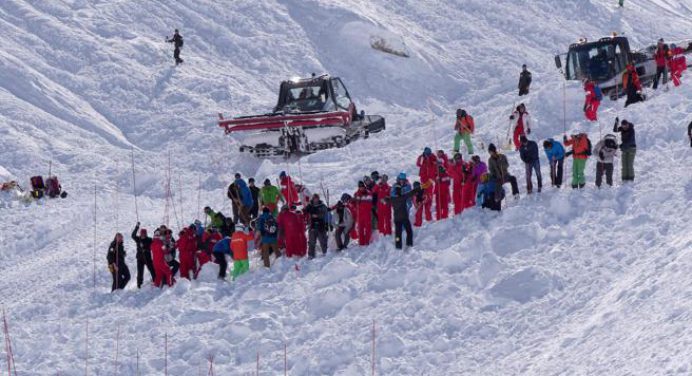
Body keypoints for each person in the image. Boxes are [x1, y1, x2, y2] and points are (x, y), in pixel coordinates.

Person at [389, 184, 421, 249]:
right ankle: (409, 244)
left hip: (397, 219)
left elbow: (385, 200)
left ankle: (398, 246)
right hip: (404, 218)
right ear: (401, 191)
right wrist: (419, 188)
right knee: (409, 231)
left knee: (398, 234)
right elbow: (411, 192)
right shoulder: (403, 197)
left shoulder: (392, 199)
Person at [416, 147, 438, 223]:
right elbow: (418, 164)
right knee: (423, 194)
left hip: (430, 179)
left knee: (429, 196)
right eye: (426, 153)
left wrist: (434, 160)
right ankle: (424, 216)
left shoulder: (433, 157)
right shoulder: (422, 158)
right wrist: (423, 156)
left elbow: (437, 164)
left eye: (429, 153)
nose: (428, 154)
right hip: (423, 179)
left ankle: (429, 217)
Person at [131, 223, 155, 289]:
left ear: (146, 234)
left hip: (147, 258)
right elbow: (133, 235)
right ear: (140, 234)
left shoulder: (149, 240)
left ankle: (155, 281)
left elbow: (152, 247)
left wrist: (145, 249)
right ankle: (139, 285)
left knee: (152, 270)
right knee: (140, 272)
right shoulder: (138, 239)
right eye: (142, 234)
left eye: (144, 234)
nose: (143, 235)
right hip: (140, 259)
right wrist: (137, 227)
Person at [613, 118, 637, 182]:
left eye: (626, 126)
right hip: (624, 148)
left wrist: (620, 146)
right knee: (624, 164)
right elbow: (615, 130)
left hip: (631, 148)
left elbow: (629, 141)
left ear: (628, 124)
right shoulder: (622, 129)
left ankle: (631, 179)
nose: (624, 128)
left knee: (629, 164)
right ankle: (624, 178)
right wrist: (616, 123)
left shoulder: (631, 130)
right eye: (623, 126)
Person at [353, 181, 373, 245]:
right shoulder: (356, 194)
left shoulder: (369, 193)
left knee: (368, 228)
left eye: (362, 186)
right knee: (360, 229)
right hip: (360, 215)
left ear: (364, 186)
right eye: (360, 187)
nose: (361, 188)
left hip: (367, 214)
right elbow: (355, 203)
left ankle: (367, 241)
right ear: (358, 187)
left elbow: (370, 202)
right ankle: (361, 242)